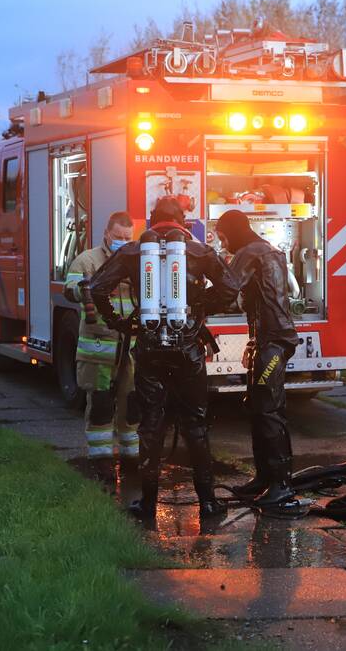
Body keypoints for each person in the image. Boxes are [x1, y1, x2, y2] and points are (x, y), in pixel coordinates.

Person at [89, 197, 238, 523]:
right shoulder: (199, 252)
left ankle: (147, 505)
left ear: (152, 220)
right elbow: (231, 288)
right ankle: (208, 504)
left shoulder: (133, 252)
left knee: (151, 426)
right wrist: (199, 307)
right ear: (182, 222)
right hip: (188, 350)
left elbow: (97, 288)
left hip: (150, 348)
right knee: (196, 425)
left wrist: (119, 322)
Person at [215, 210, 299, 507]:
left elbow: (227, 289)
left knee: (268, 410)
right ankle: (265, 479)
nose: (223, 245)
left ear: (233, 230)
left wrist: (194, 302)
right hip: (267, 340)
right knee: (257, 406)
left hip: (272, 341)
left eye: (223, 237)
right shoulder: (265, 249)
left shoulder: (250, 251)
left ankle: (281, 485)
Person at [63, 211, 138, 486]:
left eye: (128, 238)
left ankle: (132, 461)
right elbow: (70, 289)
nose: (123, 242)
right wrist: (85, 288)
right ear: (107, 234)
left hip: (129, 350)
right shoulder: (87, 260)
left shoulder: (137, 261)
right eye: (118, 237)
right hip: (98, 348)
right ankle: (102, 464)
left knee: (132, 409)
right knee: (101, 409)